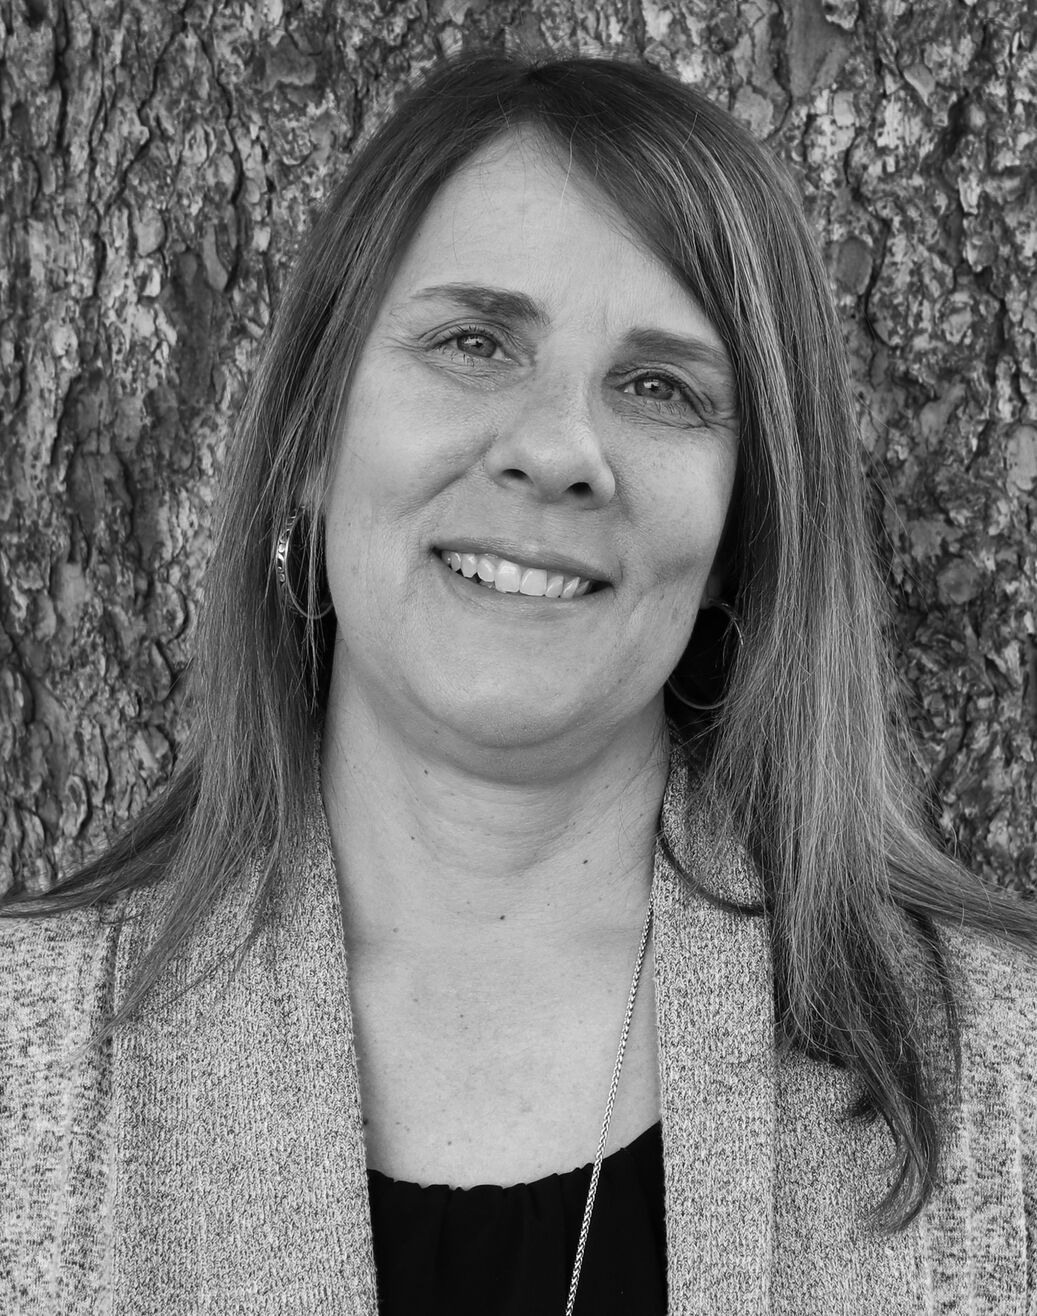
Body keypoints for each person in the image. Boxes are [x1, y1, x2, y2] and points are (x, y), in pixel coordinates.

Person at [1, 48, 1035, 1316]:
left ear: (740, 535)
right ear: (312, 440)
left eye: (660, 387)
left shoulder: (1003, 1070)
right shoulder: (22, 1058)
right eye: (473, 341)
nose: (557, 449)